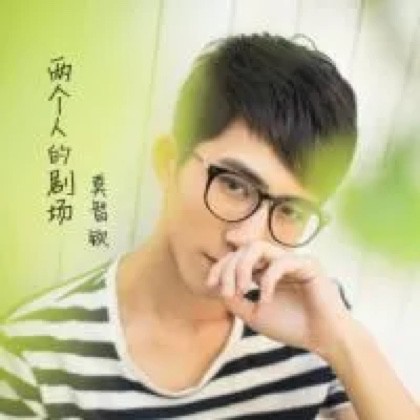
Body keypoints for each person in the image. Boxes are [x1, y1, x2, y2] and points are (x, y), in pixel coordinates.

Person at [0, 33, 418, 420]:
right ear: (168, 163)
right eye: (234, 185)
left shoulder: (314, 320)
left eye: (289, 211)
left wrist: (342, 342)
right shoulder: (36, 352)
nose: (248, 236)